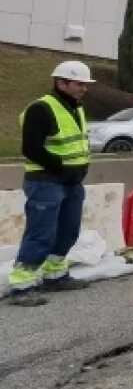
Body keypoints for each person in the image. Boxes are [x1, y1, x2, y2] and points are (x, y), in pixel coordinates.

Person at [7, 61, 96, 307]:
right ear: (61, 83)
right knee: (41, 233)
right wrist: (60, 166)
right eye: (79, 84)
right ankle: (21, 285)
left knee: (68, 230)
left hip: (71, 182)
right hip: (46, 181)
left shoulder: (76, 107)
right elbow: (31, 148)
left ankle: (55, 275)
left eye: (85, 85)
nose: (84, 89)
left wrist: (78, 171)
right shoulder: (41, 109)